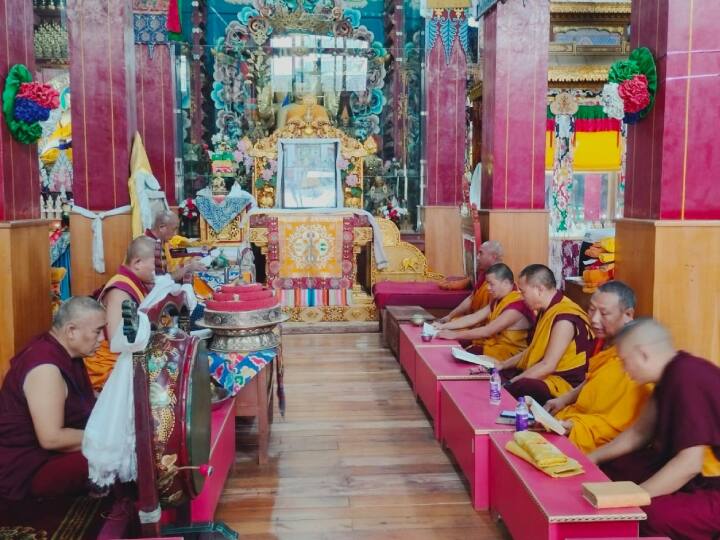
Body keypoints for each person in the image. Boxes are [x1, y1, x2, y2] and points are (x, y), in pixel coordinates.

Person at [589, 318, 720, 539]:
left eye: (624, 361)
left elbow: (689, 463)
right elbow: (639, 433)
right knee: (614, 466)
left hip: (712, 485)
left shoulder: (687, 377)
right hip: (695, 476)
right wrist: (592, 458)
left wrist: (635, 496)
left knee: (644, 514)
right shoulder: (669, 375)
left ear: (643, 354)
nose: (623, 369)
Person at [0, 297, 105, 501]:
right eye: (98, 331)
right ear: (71, 331)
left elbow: (80, 400)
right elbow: (51, 438)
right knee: (117, 457)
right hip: (28, 468)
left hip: (46, 456)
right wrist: (109, 439)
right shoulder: (45, 368)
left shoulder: (66, 352)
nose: (102, 339)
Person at [544, 281, 652, 453]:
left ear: (628, 314)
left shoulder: (637, 359)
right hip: (577, 417)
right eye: (592, 310)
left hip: (596, 435)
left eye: (604, 313)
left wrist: (574, 426)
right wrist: (564, 399)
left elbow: (619, 423)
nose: (594, 320)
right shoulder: (606, 344)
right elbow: (592, 380)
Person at [497, 264, 594, 405]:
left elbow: (548, 365)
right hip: (547, 376)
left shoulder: (564, 318)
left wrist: (511, 383)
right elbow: (532, 351)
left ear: (540, 290)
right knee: (500, 375)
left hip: (562, 385)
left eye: (523, 292)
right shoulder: (546, 310)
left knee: (522, 386)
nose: (521, 297)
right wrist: (502, 365)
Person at [83, 236, 155, 392]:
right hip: (108, 366)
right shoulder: (120, 292)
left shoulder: (134, 283)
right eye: (155, 263)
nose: (158, 268)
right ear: (137, 263)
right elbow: (117, 341)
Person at [434, 263, 534, 361]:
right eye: (487, 284)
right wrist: (444, 326)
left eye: (491, 284)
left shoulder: (516, 306)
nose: (488, 288)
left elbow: (488, 331)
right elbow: (475, 317)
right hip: (494, 346)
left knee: (461, 350)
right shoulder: (498, 300)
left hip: (509, 355)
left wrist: (453, 335)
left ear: (505, 283)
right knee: (457, 346)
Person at [436, 240, 504, 324]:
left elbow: (488, 314)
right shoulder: (484, 275)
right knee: (452, 321)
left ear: (493, 257)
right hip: (477, 320)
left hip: (488, 325)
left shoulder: (500, 280)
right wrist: (449, 316)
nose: (477, 257)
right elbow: (471, 298)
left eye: (481, 253)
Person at [145, 210, 206, 281]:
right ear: (162, 227)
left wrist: (189, 261)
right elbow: (162, 280)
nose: (175, 234)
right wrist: (188, 267)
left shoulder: (162, 241)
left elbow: (170, 266)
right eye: (174, 229)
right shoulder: (149, 246)